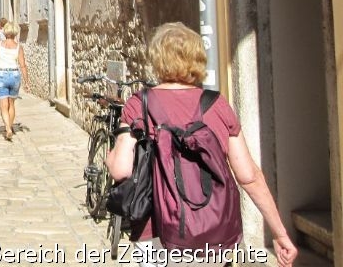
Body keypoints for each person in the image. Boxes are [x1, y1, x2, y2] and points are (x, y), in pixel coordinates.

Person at [106, 22, 297, 267]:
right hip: (215, 234)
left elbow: (121, 169)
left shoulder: (139, 104)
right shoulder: (216, 104)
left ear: (157, 58)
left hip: (157, 235)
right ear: (197, 58)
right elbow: (248, 176)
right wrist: (280, 233)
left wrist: (109, 157)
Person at [0, 21, 29, 141]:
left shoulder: (0, 44)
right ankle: (10, 125)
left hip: (2, 75)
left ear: (5, 32)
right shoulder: (19, 47)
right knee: (12, 104)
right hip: (14, 75)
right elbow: (23, 65)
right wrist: (27, 82)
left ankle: (8, 128)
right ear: (15, 33)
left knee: (3, 105)